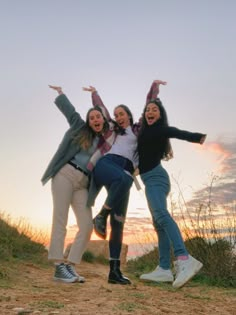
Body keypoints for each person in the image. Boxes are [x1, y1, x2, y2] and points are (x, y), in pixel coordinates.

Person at [84, 81, 166, 285]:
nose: (118, 117)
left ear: (129, 115)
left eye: (121, 113)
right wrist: (94, 93)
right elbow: (101, 110)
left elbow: (150, 105)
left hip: (126, 174)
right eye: (116, 114)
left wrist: (154, 87)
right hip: (107, 165)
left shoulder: (139, 130)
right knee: (124, 178)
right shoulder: (111, 129)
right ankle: (101, 215)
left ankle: (114, 272)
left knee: (119, 222)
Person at [41, 85, 111, 283]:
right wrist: (61, 93)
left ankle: (70, 266)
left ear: (103, 120)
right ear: (89, 122)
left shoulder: (106, 142)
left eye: (99, 117)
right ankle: (57, 265)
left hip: (83, 184)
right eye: (92, 118)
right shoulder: (80, 128)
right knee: (60, 219)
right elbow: (70, 112)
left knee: (87, 226)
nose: (96, 120)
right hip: (65, 174)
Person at [137, 95, 206, 289]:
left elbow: (176, 132)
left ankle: (184, 259)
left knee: (161, 215)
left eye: (154, 110)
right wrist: (153, 94)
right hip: (150, 179)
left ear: (160, 115)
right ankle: (164, 269)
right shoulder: (144, 131)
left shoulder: (160, 129)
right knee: (158, 223)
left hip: (156, 178)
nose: (150, 112)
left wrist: (197, 137)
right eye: (147, 110)